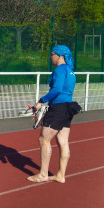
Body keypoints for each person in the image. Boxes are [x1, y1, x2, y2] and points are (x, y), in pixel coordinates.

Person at [28, 45, 77, 184]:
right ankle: (60, 175)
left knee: (44, 140)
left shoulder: (60, 69)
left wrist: (41, 101)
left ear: (60, 56)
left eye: (52, 54)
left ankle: (43, 174)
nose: (51, 57)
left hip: (58, 108)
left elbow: (56, 89)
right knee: (63, 141)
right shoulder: (70, 70)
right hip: (68, 108)